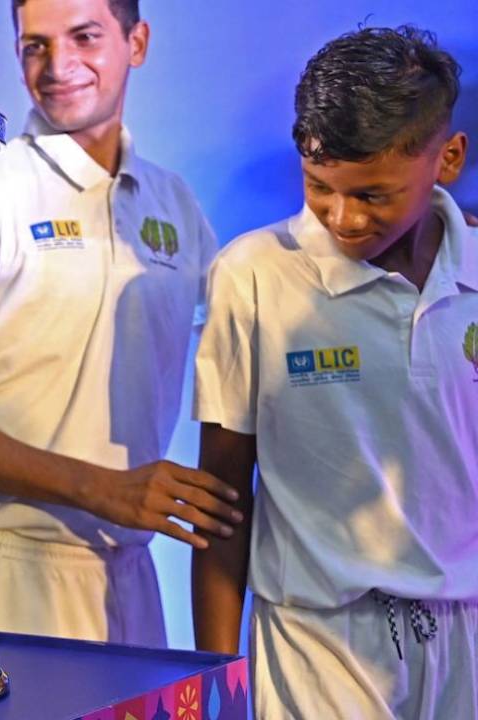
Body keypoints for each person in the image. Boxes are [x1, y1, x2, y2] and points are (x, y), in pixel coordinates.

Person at [0, 0, 242, 645]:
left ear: (138, 42)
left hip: (131, 569)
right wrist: (103, 490)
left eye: (85, 37)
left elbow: (248, 340)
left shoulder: (170, 197)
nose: (58, 66)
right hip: (7, 566)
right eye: (35, 45)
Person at [193, 26, 476, 719]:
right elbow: (222, 500)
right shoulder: (252, 274)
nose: (343, 218)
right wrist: (214, 685)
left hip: (465, 626)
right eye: (320, 187)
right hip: (317, 637)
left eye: (374, 195)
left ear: (449, 158)